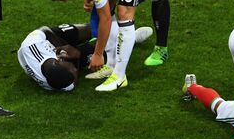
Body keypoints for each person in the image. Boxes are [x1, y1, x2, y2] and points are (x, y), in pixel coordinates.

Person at [17, 23, 153, 91]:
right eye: (74, 72)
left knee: (89, 30)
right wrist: (76, 57)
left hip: (51, 38)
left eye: (72, 68)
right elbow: (73, 83)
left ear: (58, 61)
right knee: (97, 55)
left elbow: (44, 30)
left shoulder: (30, 46)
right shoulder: (58, 83)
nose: (76, 71)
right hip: (60, 55)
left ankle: (103, 29)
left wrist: (65, 46)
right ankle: (130, 39)